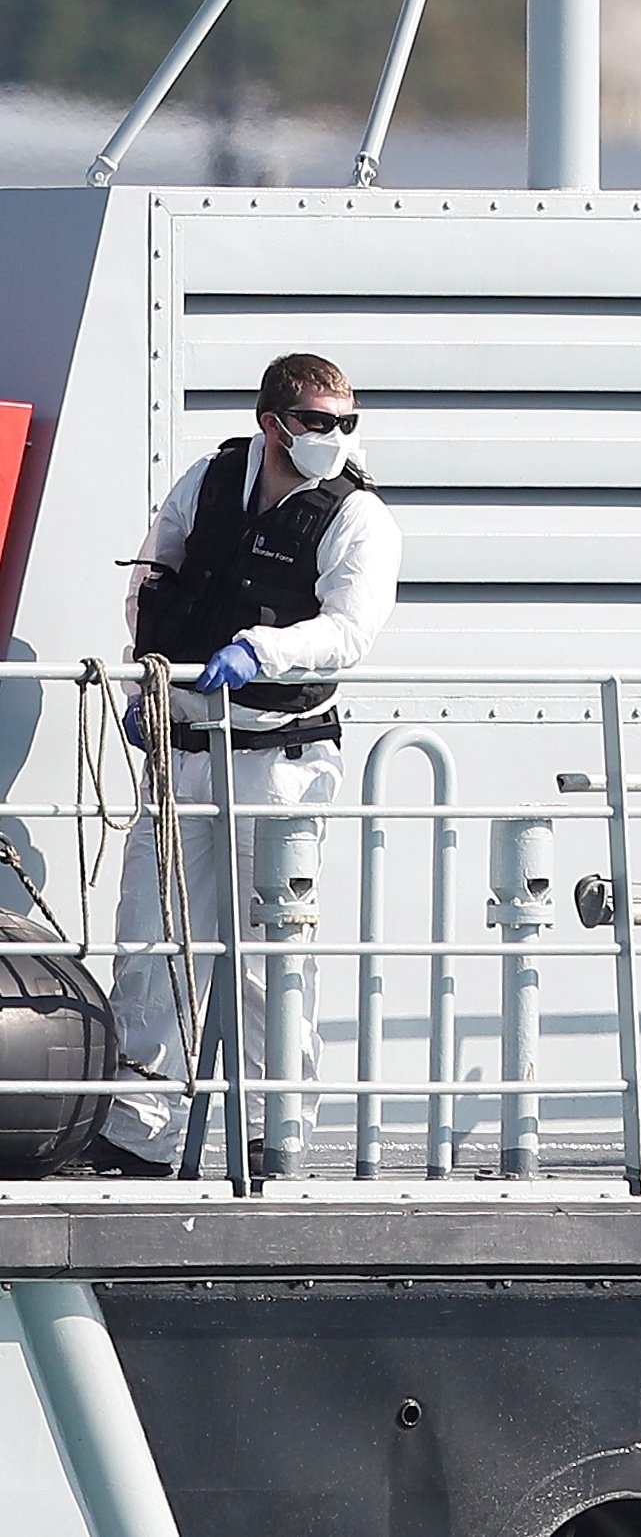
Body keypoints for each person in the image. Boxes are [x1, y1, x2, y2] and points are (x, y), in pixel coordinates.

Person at [91, 353, 400, 1178]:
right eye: (317, 423)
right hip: (181, 749)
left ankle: (275, 1129)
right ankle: (141, 1127)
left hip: (279, 761)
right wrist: (143, 672)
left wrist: (260, 649)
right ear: (273, 423)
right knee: (151, 939)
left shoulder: (358, 518)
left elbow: (350, 630)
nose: (334, 438)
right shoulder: (208, 482)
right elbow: (154, 577)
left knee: (271, 952)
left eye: (346, 423)